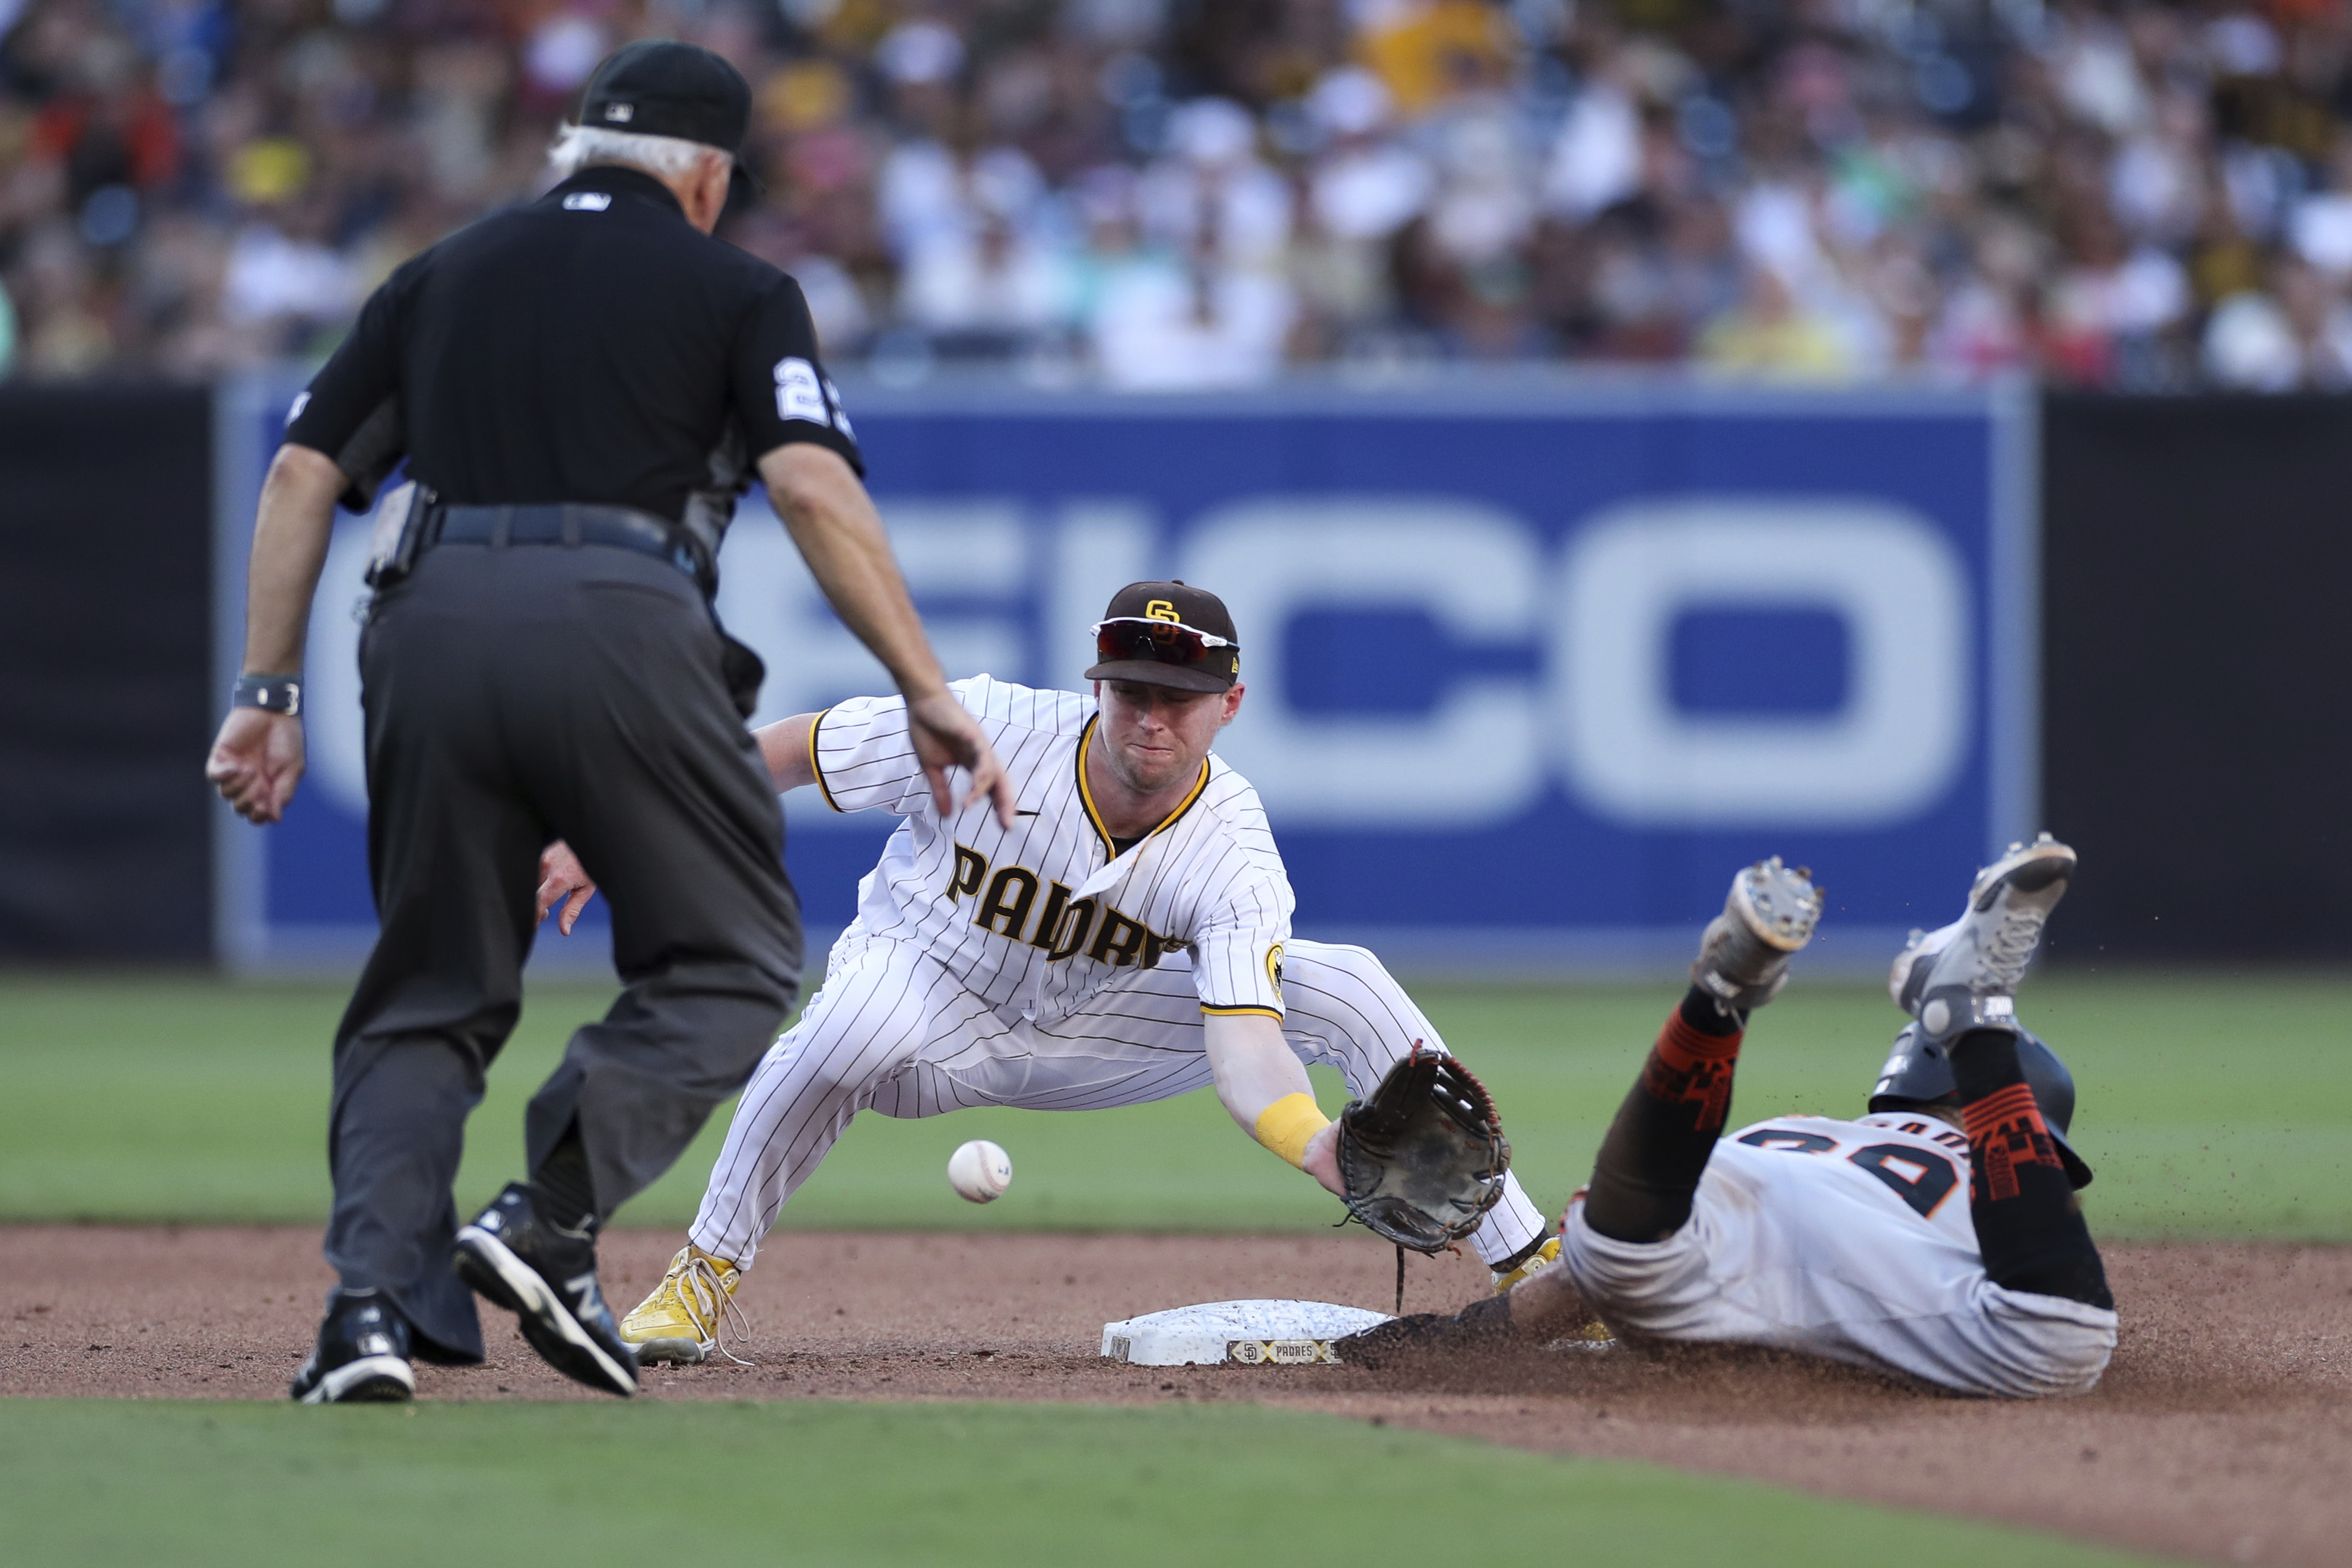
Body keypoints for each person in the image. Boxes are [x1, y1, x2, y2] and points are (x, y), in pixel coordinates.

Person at [202, 40, 1011, 1405]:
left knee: (429, 989)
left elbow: (297, 471)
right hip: (622, 617)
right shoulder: (740, 288)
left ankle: (363, 1315)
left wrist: (264, 693)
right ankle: (544, 1219)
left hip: (423, 618)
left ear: (579, 147)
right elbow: (810, 486)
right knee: (737, 954)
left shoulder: (440, 273)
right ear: (704, 177)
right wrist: (926, 684)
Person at [533, 581, 1560, 1364]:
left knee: (1347, 982)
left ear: (1231, 704)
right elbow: (794, 751)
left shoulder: (1235, 848)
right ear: (1097, 683)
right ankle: (702, 1275)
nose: (1152, 716)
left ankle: (1545, 1275)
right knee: (848, 1031)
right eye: (1133, 690)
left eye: (1182, 697)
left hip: (1094, 1025)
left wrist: (1319, 1145)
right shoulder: (990, 728)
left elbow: (1245, 1042)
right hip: (923, 989)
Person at [1345, 838, 2119, 1400]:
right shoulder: (1995, 1170)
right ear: (2016, 1125)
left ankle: (1717, 999)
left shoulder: (1820, 1134)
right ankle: (1976, 1019)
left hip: (1691, 1195)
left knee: (1621, 1257)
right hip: (1830, 1265)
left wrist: (1450, 1342)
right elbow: (2043, 1245)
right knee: (2061, 1338)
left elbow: (1578, 1287)